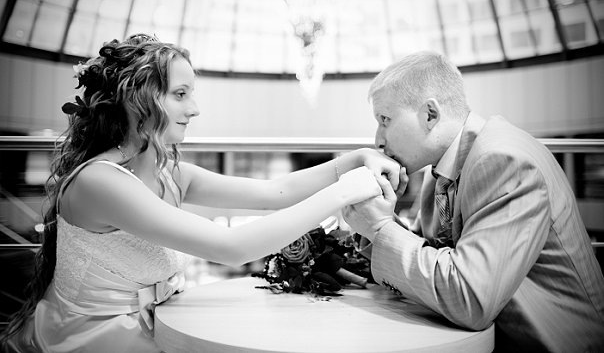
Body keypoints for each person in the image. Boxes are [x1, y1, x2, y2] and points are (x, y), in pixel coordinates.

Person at [0, 34, 400, 353]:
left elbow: (275, 191)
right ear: (138, 99)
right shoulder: (99, 182)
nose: (194, 109)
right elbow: (231, 248)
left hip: (156, 325)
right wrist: (343, 193)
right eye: (180, 94)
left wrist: (353, 160)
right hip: (93, 340)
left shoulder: (171, 174)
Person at [343, 51, 604, 352]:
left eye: (385, 120)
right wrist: (376, 222)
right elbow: (438, 259)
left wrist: (380, 227)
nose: (378, 140)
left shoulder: (504, 161)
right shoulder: (442, 169)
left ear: (430, 114)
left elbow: (469, 298)